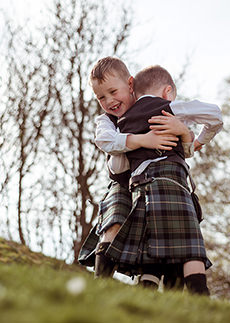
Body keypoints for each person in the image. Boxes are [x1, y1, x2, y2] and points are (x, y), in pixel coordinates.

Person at [88, 62, 223, 294]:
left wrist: (185, 133)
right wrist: (142, 140)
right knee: (114, 226)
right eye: (101, 97)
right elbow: (106, 143)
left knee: (162, 241)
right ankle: (100, 289)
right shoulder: (107, 121)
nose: (109, 101)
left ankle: (169, 301)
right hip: (123, 184)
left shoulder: (162, 109)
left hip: (153, 182)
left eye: (113, 92)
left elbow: (185, 147)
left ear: (131, 85)